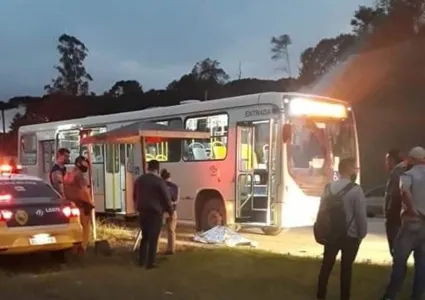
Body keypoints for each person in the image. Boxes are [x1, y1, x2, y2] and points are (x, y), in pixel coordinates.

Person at [316, 157, 368, 300]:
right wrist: (361, 234)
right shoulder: (356, 190)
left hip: (331, 233)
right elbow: (360, 216)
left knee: (326, 265)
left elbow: (321, 211)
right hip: (349, 236)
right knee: (346, 269)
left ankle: (321, 294)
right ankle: (344, 296)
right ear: (349, 170)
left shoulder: (328, 188)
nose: (356, 170)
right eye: (355, 167)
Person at [382, 146, 425, 300]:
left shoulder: (408, 175)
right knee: (421, 264)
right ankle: (417, 296)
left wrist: (412, 209)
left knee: (399, 260)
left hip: (411, 223)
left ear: (413, 160)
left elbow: (403, 191)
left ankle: (390, 295)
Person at [134, 160, 173, 269]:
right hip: (155, 213)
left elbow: (134, 195)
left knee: (145, 236)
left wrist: (138, 206)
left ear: (148, 168)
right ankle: (151, 262)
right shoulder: (159, 181)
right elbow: (166, 197)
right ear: (157, 169)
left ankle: (141, 260)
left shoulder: (139, 180)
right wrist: (171, 211)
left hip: (142, 212)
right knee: (153, 238)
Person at [64, 156, 94, 252]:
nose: (86, 166)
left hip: (72, 204)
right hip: (82, 204)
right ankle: (82, 247)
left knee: (75, 227)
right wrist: (90, 202)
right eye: (85, 164)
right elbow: (84, 190)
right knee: (85, 227)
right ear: (79, 163)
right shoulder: (79, 175)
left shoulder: (68, 174)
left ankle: (74, 247)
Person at [384, 148, 405, 256]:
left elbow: (394, 196)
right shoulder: (406, 171)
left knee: (396, 252)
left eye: (387, 160)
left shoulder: (396, 173)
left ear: (392, 160)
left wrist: (389, 214)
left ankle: (398, 272)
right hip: (403, 217)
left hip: (395, 218)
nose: (386, 164)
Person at [160, 168, 179, 255]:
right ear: (169, 177)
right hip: (172, 211)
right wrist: (172, 203)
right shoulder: (175, 186)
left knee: (157, 230)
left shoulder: (160, 185)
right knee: (171, 231)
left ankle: (155, 249)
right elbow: (177, 200)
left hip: (162, 211)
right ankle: (171, 249)